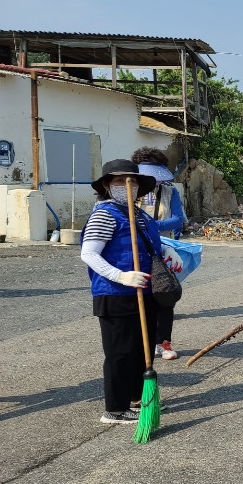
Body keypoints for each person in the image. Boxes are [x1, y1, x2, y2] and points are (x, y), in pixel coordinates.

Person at [80, 159, 171, 424]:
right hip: (114, 293)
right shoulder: (105, 214)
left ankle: (136, 397)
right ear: (108, 185)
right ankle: (115, 408)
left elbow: (149, 247)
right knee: (120, 353)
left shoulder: (139, 214)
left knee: (140, 350)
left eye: (131, 182)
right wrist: (121, 275)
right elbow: (89, 254)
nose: (126, 186)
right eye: (119, 181)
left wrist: (167, 254)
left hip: (143, 291)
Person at [131, 147, 185, 361]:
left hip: (163, 249)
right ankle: (147, 340)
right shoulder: (130, 191)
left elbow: (178, 219)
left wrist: (152, 225)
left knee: (165, 296)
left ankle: (164, 342)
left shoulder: (171, 192)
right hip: (136, 251)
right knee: (141, 298)